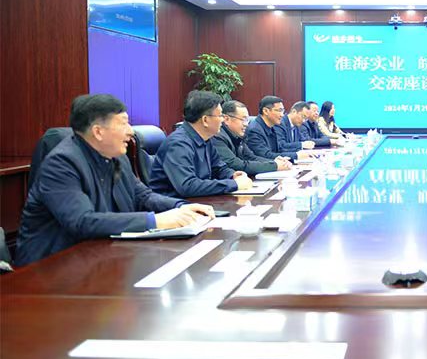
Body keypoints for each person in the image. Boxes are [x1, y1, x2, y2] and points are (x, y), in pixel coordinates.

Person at [15, 94, 214, 266]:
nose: (131, 131)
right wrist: (155, 221)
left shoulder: (116, 156)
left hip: (100, 257)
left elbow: (143, 196)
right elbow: (82, 221)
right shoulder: (61, 164)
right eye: (123, 123)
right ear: (98, 131)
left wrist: (182, 207)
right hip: (51, 268)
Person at [149, 91, 253, 197]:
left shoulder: (205, 139)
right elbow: (187, 186)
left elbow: (218, 168)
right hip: (174, 204)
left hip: (197, 201)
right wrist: (234, 184)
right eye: (220, 115)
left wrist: (232, 175)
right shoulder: (178, 144)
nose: (223, 120)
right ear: (205, 120)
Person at [212, 100, 292, 175]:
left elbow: (251, 157)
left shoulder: (237, 136)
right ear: (226, 119)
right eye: (243, 119)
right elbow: (236, 165)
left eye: (247, 120)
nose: (246, 124)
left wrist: (275, 162)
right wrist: (274, 166)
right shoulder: (217, 137)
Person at [246, 95, 305, 161]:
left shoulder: (272, 127)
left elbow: (279, 149)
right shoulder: (254, 130)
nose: (282, 115)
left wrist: (298, 153)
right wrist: (296, 155)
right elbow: (265, 155)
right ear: (265, 111)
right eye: (279, 110)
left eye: (282, 111)